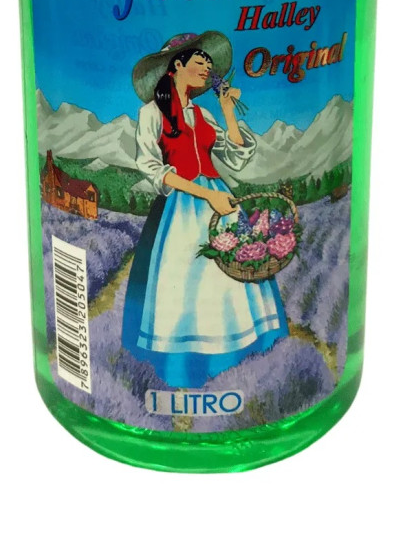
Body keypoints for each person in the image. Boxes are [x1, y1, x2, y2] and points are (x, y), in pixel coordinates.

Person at [122, 30, 288, 387]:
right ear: (176, 66)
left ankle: (247, 365)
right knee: (185, 279)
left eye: (209, 65)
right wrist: (205, 195)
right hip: (182, 206)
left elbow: (236, 158)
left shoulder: (203, 114)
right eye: (200, 62)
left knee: (234, 273)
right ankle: (184, 371)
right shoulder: (152, 113)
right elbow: (150, 167)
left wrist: (227, 112)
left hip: (220, 199)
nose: (207, 70)